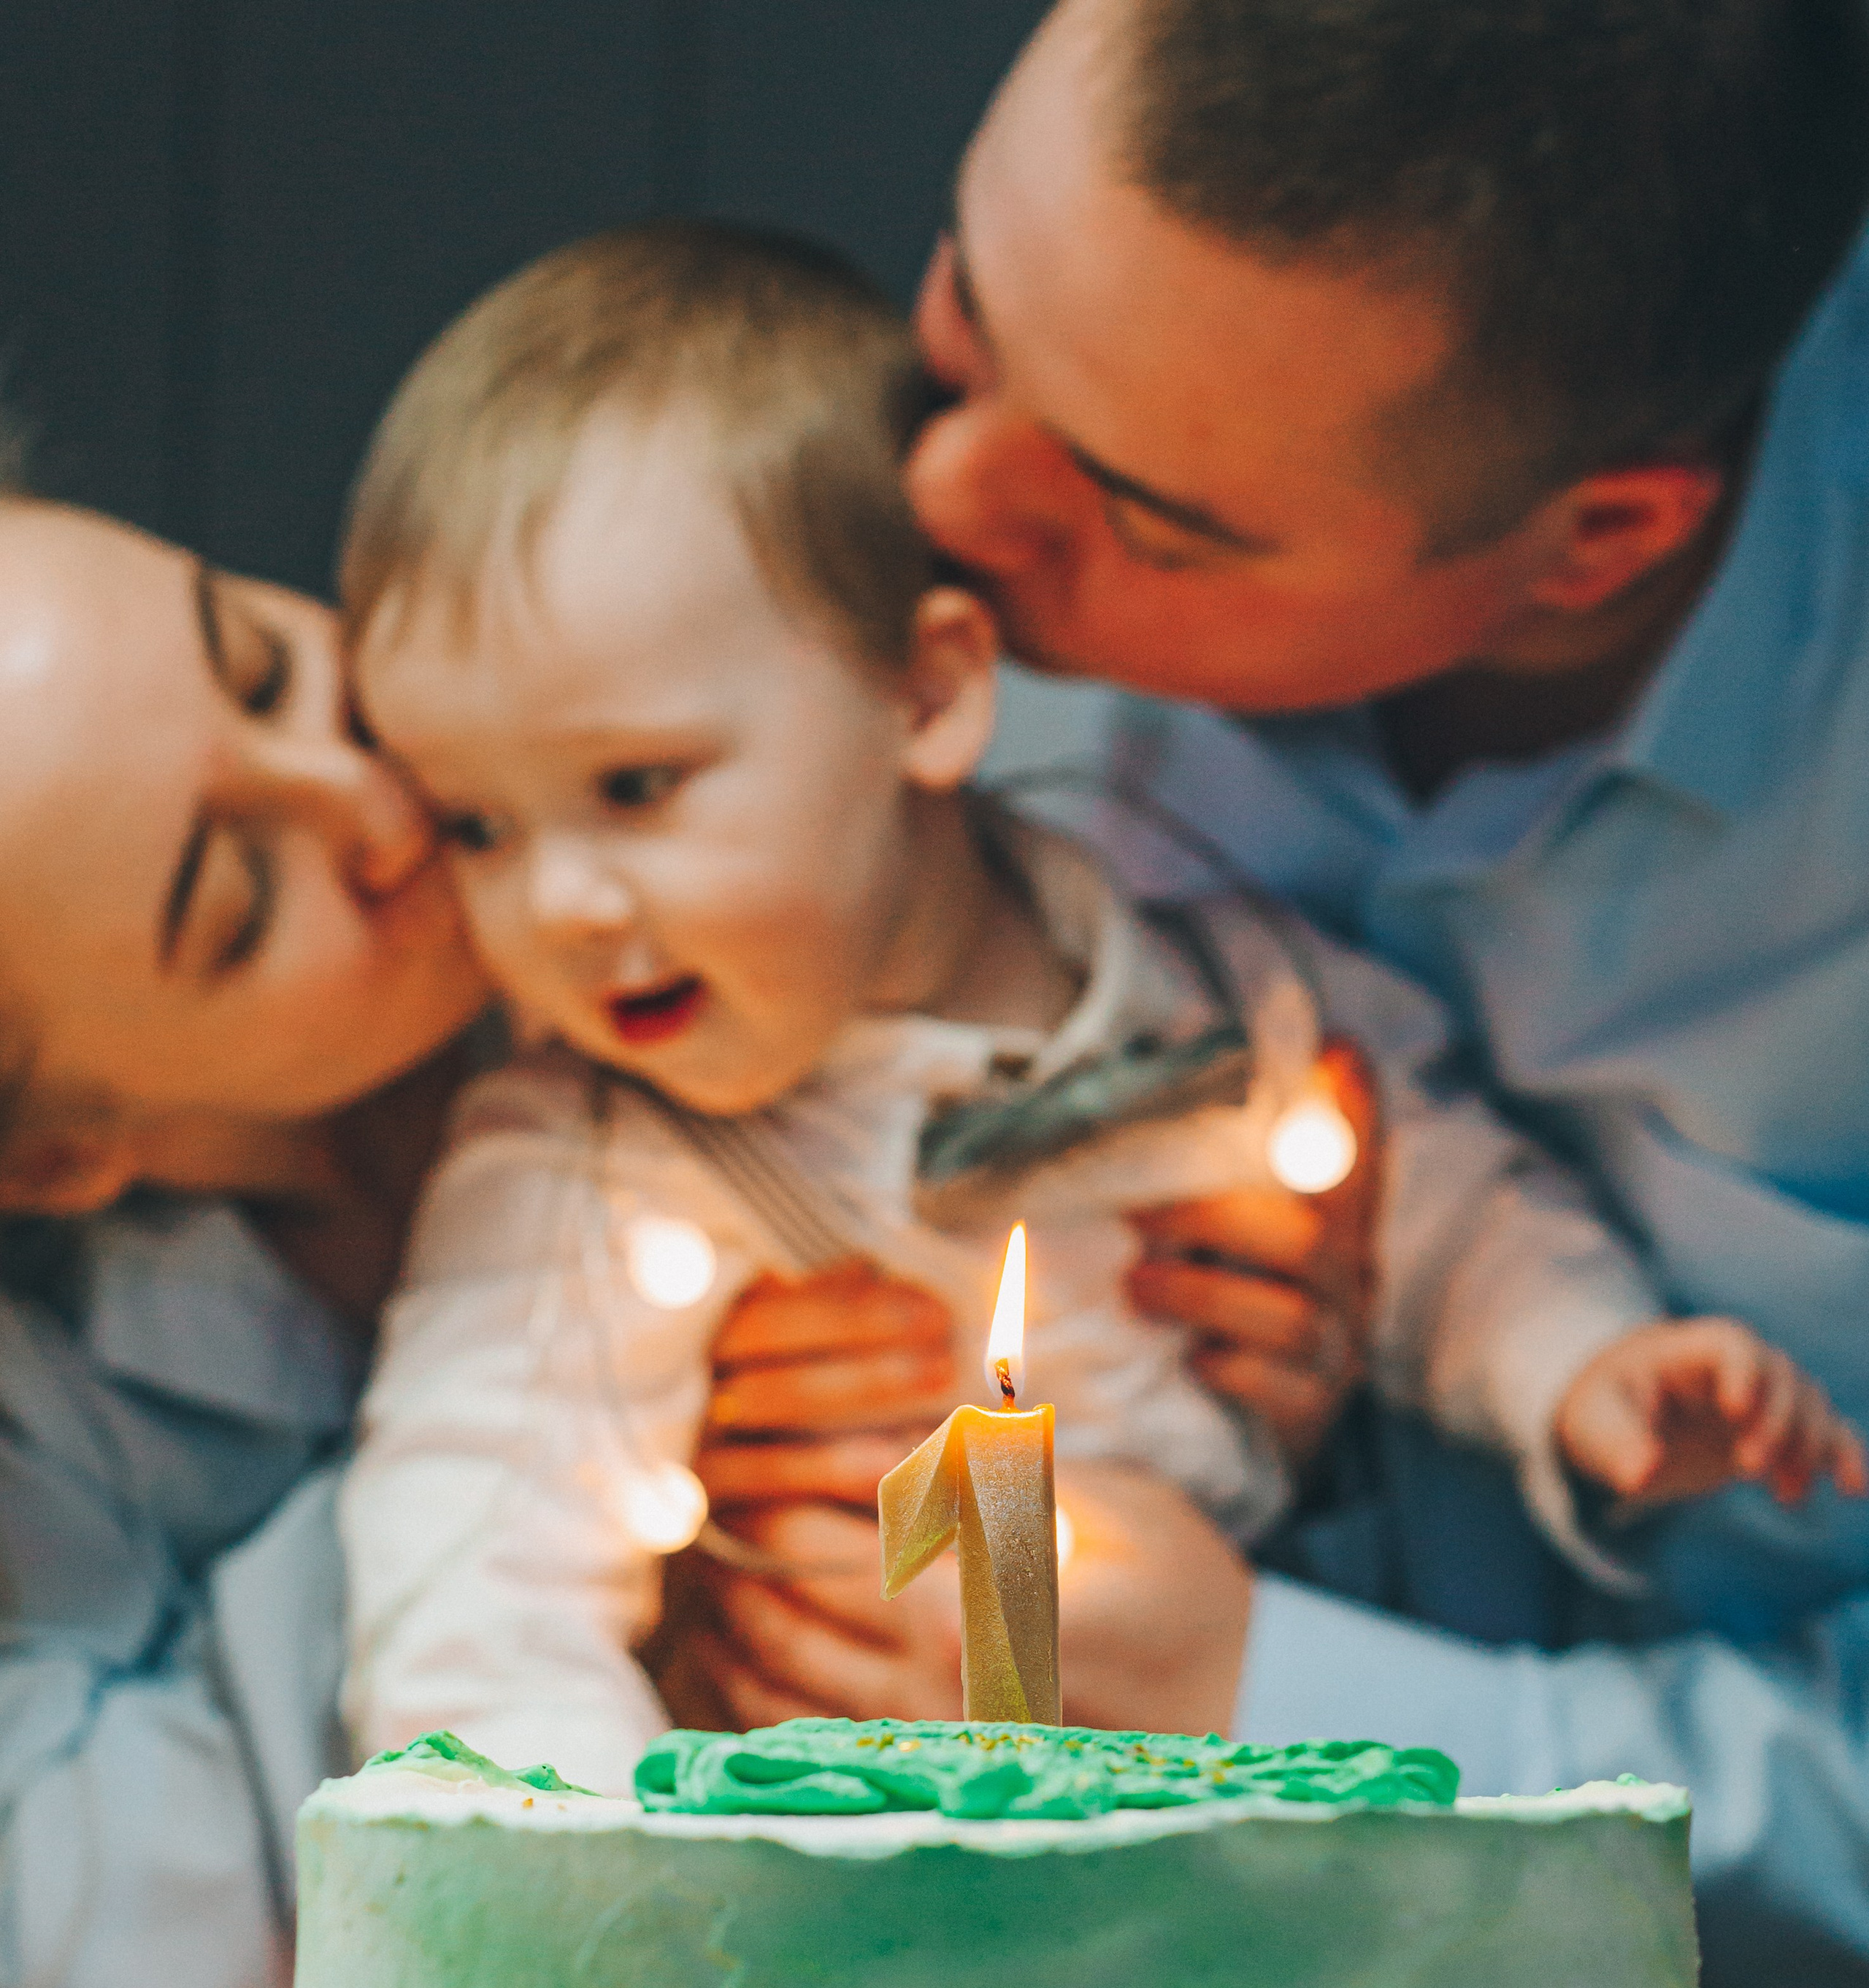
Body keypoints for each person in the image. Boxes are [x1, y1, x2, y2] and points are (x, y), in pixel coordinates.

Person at [691, 0, 1869, 1988]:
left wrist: (1274, 1703)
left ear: (1596, 540)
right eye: (972, 301)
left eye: (1148, 509)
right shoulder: (923, 624)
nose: (944, 498)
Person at [334, 220, 1862, 1792]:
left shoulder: (1225, 983)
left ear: (925, 697)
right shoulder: (590, 1163)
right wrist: (577, 1860)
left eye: (633, 787)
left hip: (1226, 1814)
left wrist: (1583, 1366)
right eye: (476, 827)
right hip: (863, 1842)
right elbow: (473, 1561)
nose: (556, 905)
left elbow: (1455, 1216)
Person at [0, 490, 492, 1988]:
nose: (373, 802)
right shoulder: (49, 1399)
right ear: (58, 1153)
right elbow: (78, 1919)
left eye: (269, 664)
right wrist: (515, 1466)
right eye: (236, 905)